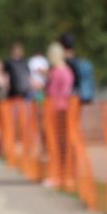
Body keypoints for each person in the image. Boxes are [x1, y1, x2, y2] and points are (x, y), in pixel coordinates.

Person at [43, 42, 74, 187]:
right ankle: (65, 175)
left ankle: (57, 176)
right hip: (63, 110)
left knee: (56, 144)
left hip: (56, 111)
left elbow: (53, 93)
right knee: (63, 144)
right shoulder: (67, 71)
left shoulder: (57, 72)